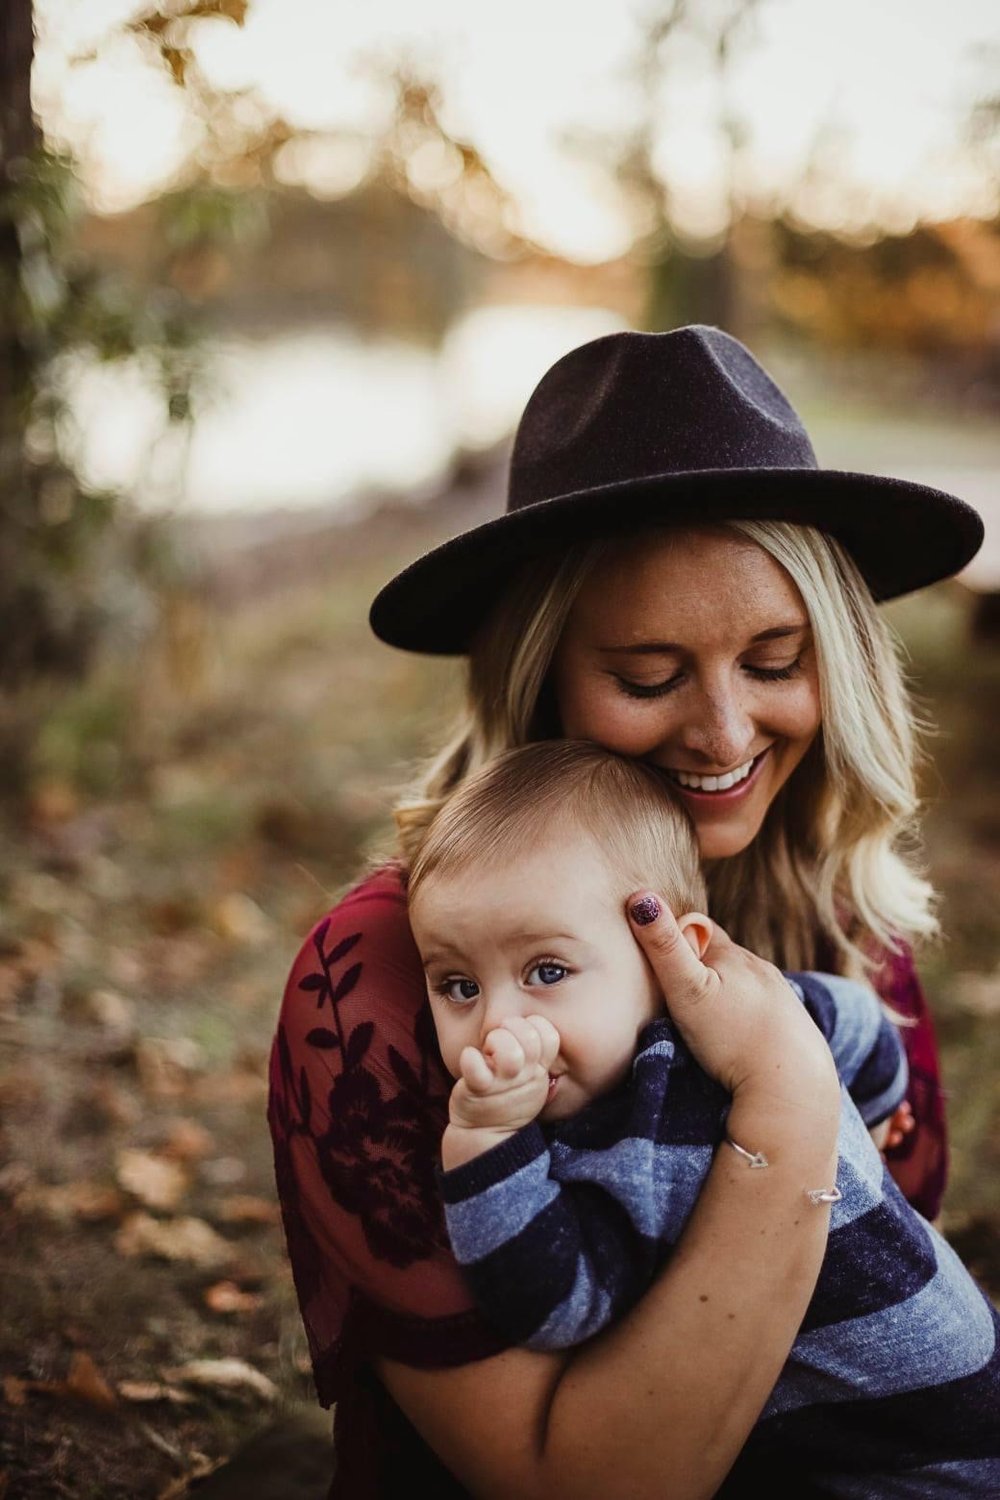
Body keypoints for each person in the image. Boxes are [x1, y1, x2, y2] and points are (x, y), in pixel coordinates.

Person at [268, 325, 985, 1499]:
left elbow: (877, 1300)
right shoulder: (387, 980)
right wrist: (787, 1098)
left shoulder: (858, 935)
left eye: (773, 660)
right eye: (648, 678)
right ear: (540, 673)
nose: (721, 733)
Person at [406, 739, 1000, 1496]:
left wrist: (484, 1143)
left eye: (548, 971)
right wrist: (492, 1130)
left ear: (670, 957)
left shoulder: (628, 1142)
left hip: (911, 1459)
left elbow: (558, 1306)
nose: (497, 1025)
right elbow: (847, 1020)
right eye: (457, 984)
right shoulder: (721, 1038)